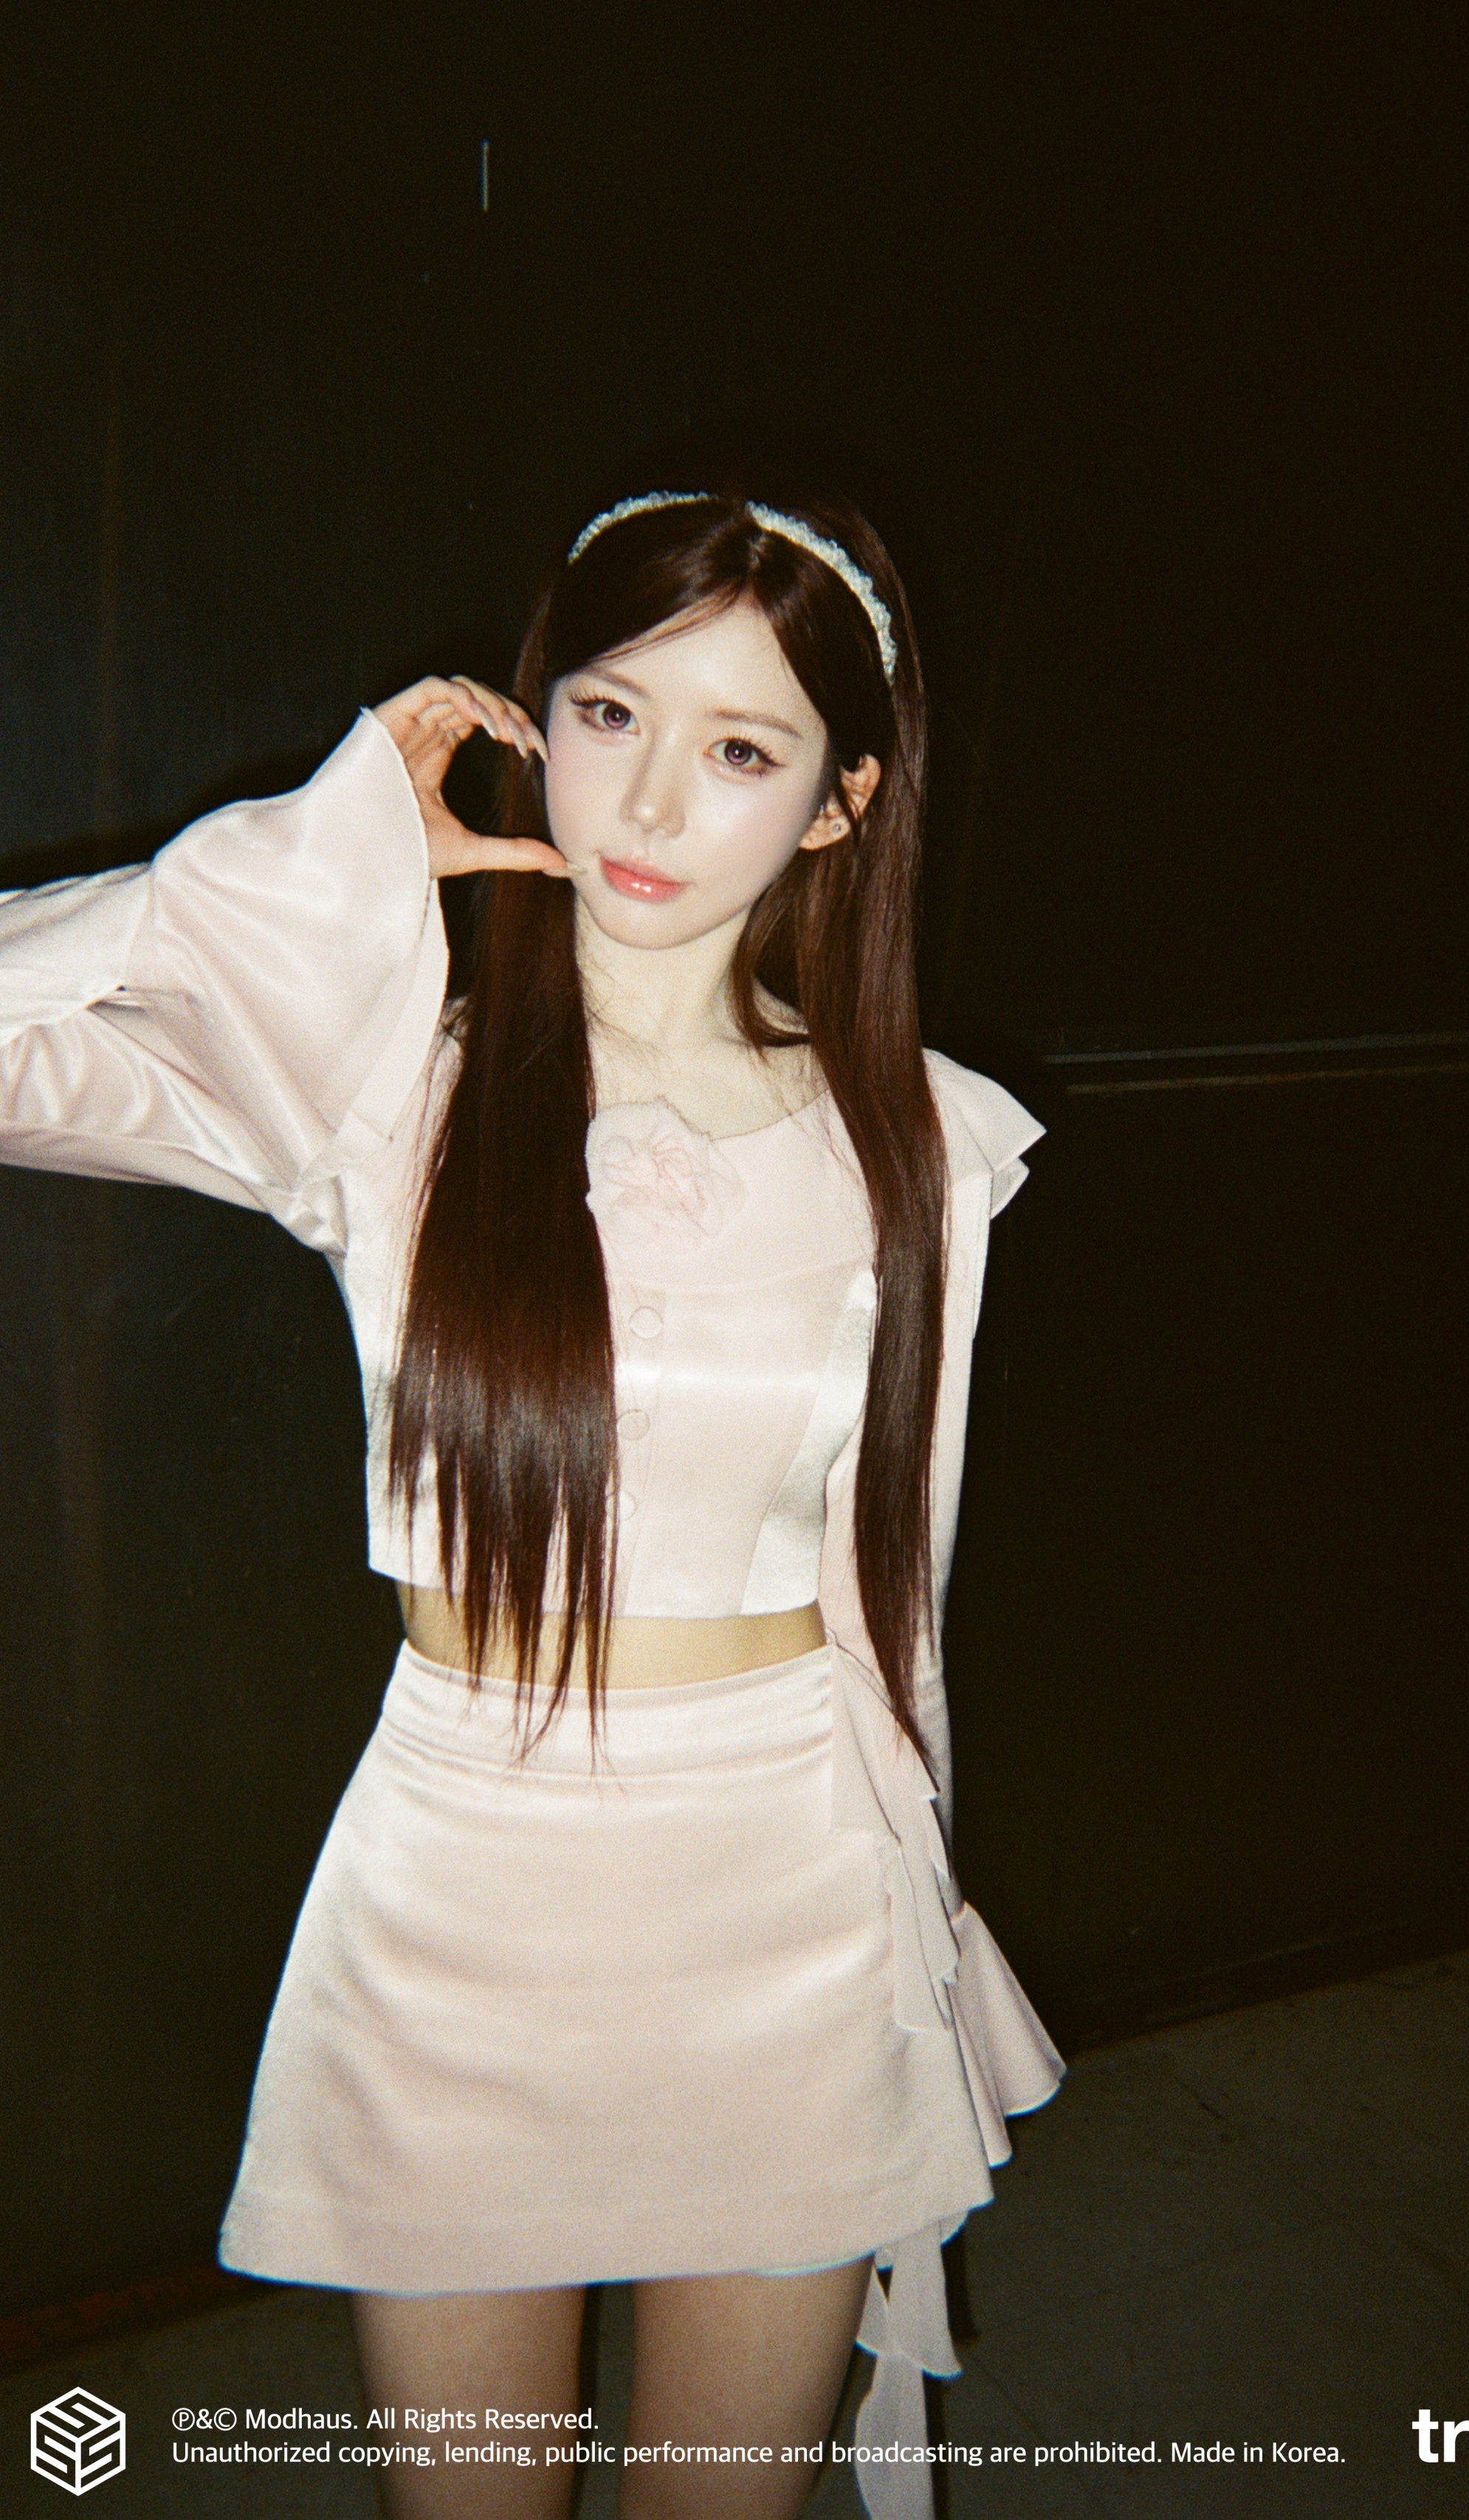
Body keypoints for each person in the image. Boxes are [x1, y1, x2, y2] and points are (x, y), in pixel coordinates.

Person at [0, 483, 1063, 2519]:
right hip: (460, 1894)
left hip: (787, 1905)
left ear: (837, 806)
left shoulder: (920, 1142)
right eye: (609, 713)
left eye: (740, 750)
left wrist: (920, 1916)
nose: (647, 801)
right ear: (535, 715)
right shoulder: (387, 1078)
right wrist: (294, 878)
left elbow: (898, 1593)